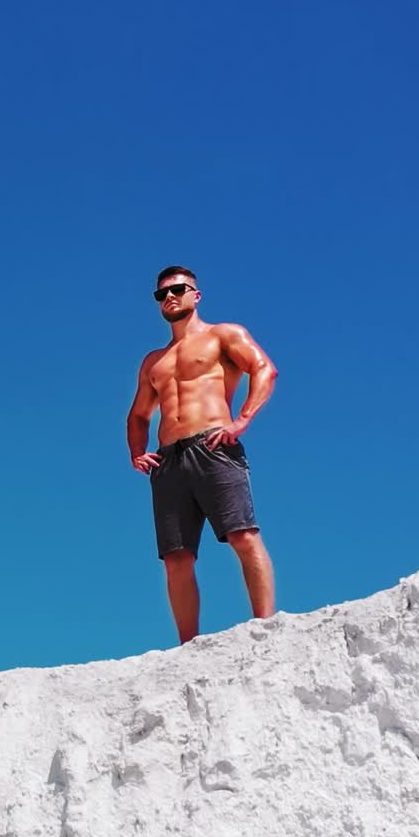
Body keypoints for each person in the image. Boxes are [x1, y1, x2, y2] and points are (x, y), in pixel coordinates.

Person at [126, 265, 278, 642]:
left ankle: (267, 627)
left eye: (177, 289)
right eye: (161, 294)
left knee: (242, 534)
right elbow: (139, 414)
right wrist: (136, 452)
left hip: (213, 445)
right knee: (176, 558)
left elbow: (264, 370)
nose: (170, 297)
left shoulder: (223, 335)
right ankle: (188, 646)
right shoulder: (153, 361)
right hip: (168, 459)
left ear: (196, 295)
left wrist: (242, 419)